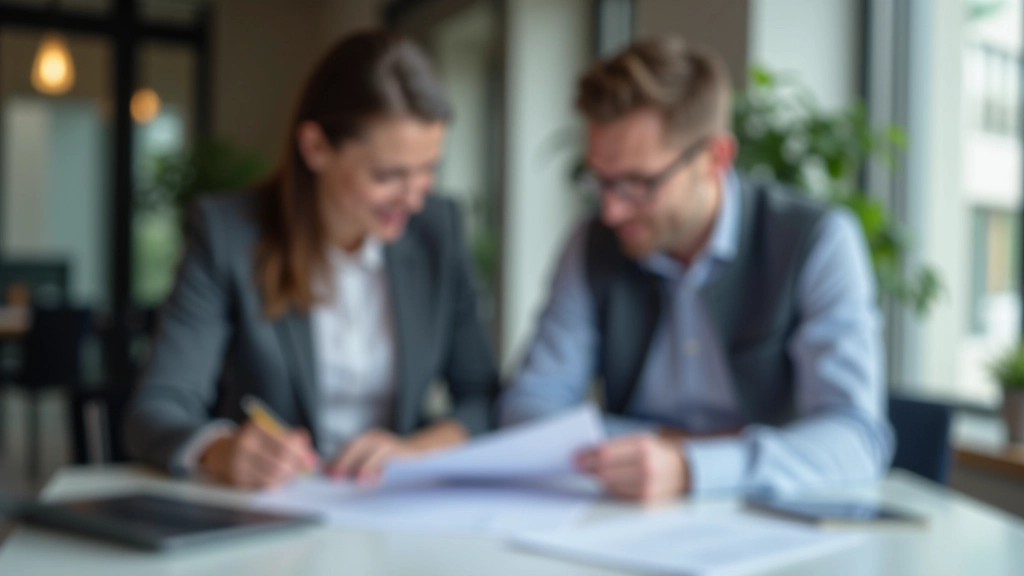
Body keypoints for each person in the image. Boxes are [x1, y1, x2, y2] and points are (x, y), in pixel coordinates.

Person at [500, 37, 894, 502]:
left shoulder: (818, 240)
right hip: (627, 518)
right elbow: (528, 407)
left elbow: (855, 439)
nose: (611, 211)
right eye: (601, 181)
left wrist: (692, 467)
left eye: (639, 184)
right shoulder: (591, 244)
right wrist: (667, 450)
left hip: (771, 521)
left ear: (715, 158)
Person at [125, 29, 499, 490]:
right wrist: (222, 452)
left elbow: (481, 396)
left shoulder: (438, 230)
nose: (414, 198)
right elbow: (158, 407)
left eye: (428, 171)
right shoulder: (227, 234)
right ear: (315, 147)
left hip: (395, 505)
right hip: (273, 513)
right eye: (389, 175)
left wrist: (414, 452)